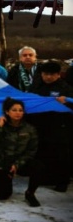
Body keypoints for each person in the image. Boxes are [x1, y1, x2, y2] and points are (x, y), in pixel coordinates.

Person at [0, 97, 43, 207]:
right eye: (14, 110)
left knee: (39, 166)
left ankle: (30, 193)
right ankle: (7, 178)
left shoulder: (29, 129)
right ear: (7, 112)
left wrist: (17, 164)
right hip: (0, 164)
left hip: (18, 163)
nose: (18, 113)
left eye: (20, 110)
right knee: (3, 196)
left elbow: (31, 151)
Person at [26, 61, 72, 192]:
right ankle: (44, 178)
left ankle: (62, 182)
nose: (48, 77)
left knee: (61, 155)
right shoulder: (36, 87)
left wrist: (66, 102)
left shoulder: (66, 89)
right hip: (39, 125)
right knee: (42, 153)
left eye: (52, 74)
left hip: (60, 127)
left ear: (58, 75)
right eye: (46, 74)